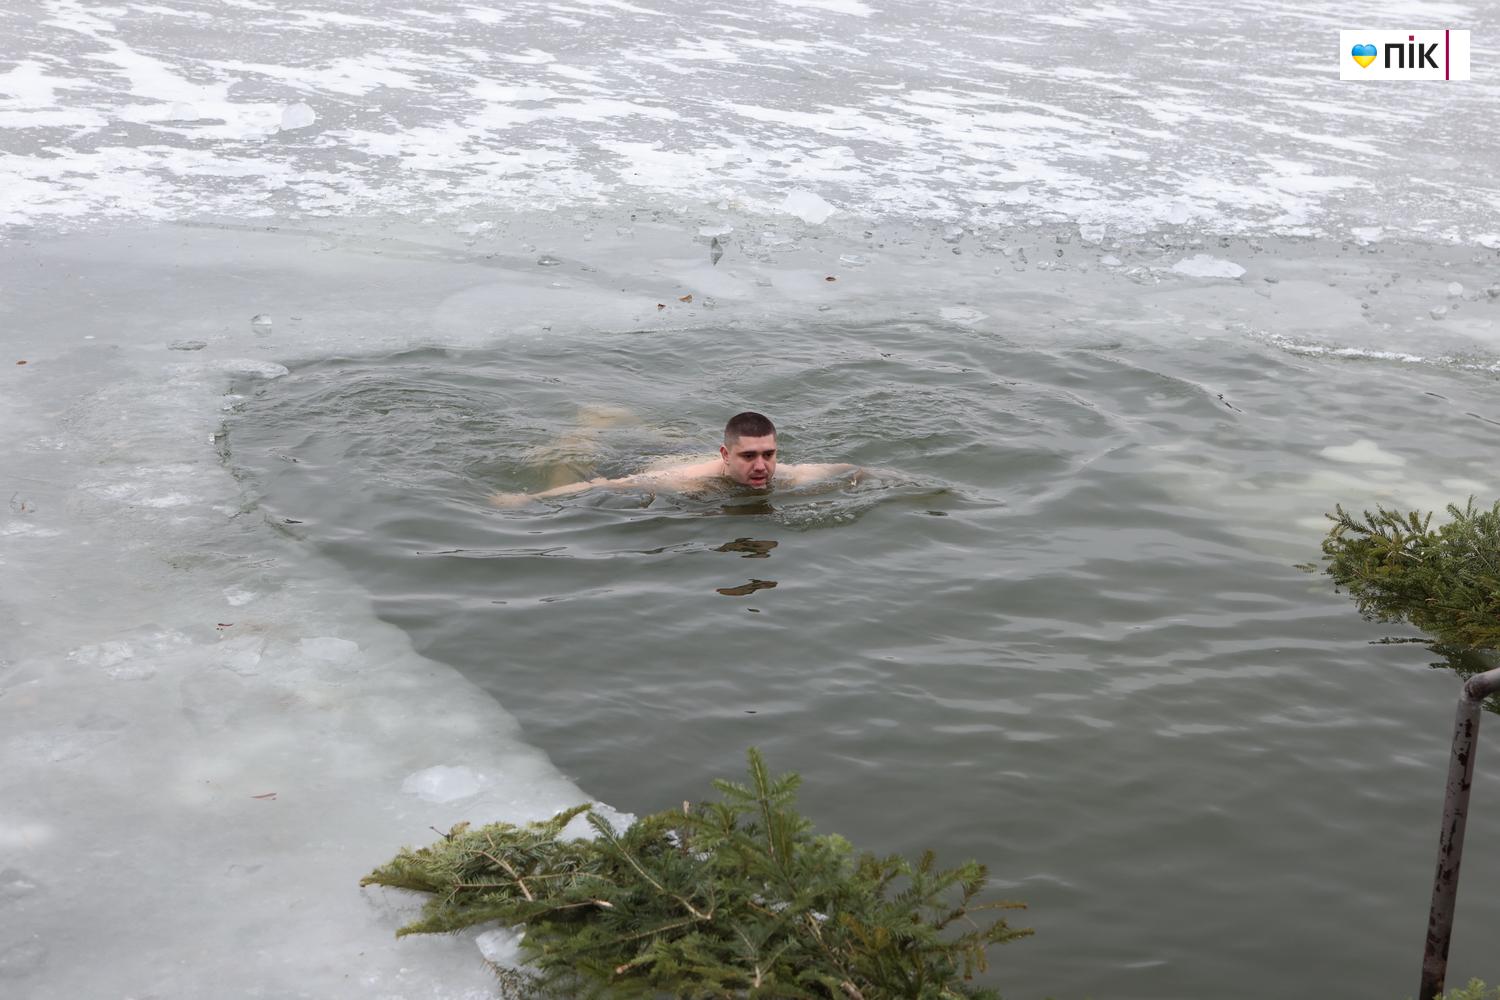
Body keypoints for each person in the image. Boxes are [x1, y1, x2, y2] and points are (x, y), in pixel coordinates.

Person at [490, 411, 860, 506]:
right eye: (748, 456)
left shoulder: (790, 474)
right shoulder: (685, 480)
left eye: (769, 454)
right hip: (643, 464)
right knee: (573, 454)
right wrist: (528, 498)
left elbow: (849, 469)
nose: (761, 466)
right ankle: (592, 422)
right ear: (726, 455)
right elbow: (606, 484)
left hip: (681, 453)